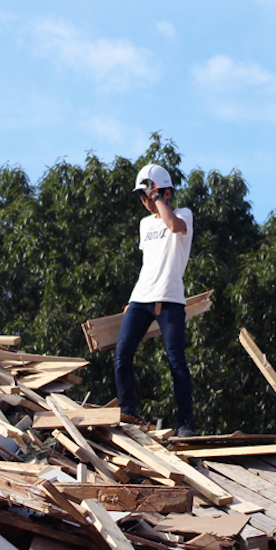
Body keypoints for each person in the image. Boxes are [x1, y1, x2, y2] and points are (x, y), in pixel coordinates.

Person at [114, 163, 198, 437]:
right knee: (122, 356)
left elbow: (173, 226)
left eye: (150, 196)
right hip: (142, 297)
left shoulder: (183, 215)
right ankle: (129, 413)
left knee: (176, 362)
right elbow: (148, 263)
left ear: (166, 193)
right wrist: (130, 299)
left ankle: (185, 422)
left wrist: (159, 198)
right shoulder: (143, 225)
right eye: (144, 197)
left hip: (170, 299)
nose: (146, 202)